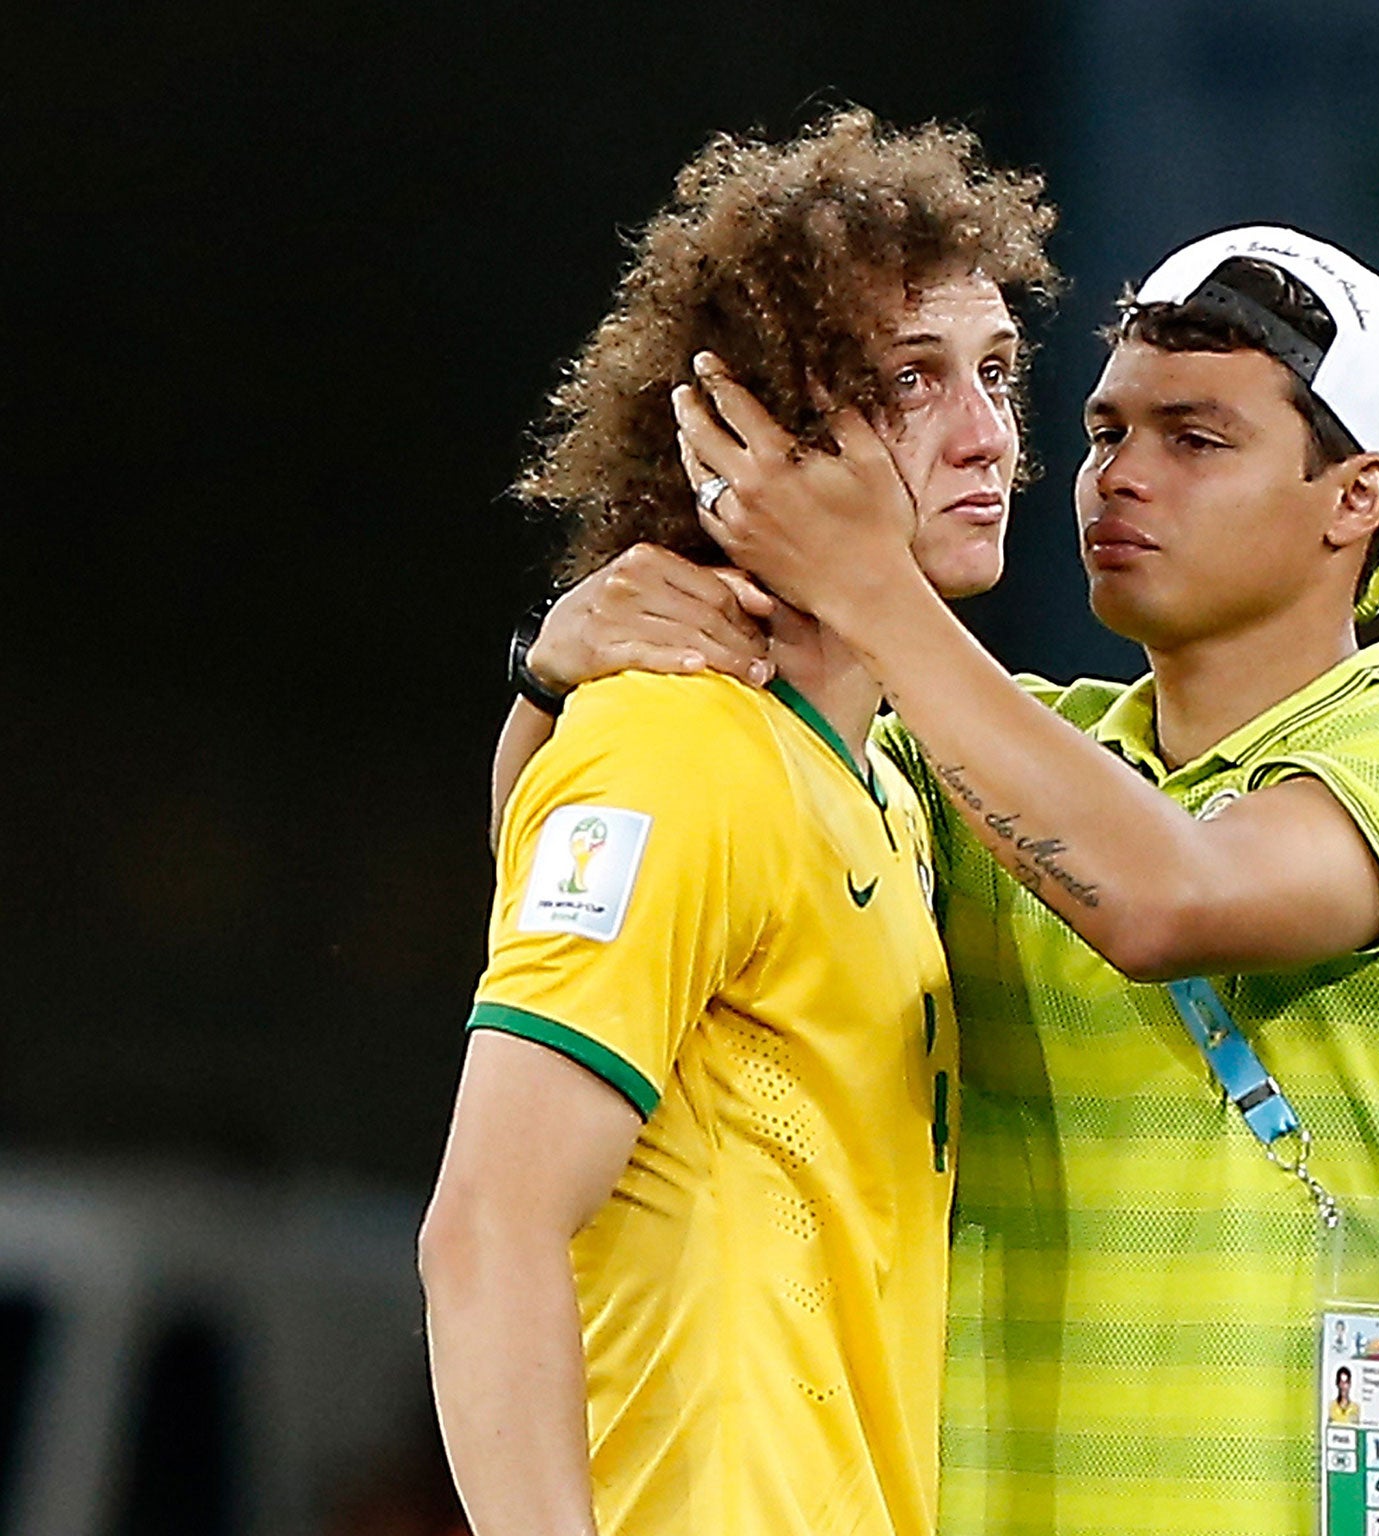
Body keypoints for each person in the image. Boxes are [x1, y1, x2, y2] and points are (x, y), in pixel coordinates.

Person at [507, 226, 1379, 1535]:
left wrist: (867, 579)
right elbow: (607, 895)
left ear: (1354, 498)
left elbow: (1164, 901)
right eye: (1108, 432)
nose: (1119, 476)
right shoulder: (974, 765)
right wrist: (553, 686)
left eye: (1196, 439)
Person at [417, 109, 1055, 1536]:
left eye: (1000, 373)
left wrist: (534, 701)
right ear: (753, 427)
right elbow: (483, 1231)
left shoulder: (883, 785)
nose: (988, 434)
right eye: (914, 379)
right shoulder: (676, 748)